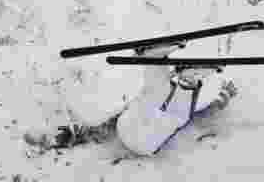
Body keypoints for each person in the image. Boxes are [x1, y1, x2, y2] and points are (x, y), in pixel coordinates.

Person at [24, 44, 238, 156]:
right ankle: (176, 73)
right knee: (168, 110)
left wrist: (66, 136)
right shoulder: (170, 109)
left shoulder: (156, 104)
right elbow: (200, 116)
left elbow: (100, 129)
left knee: (155, 98)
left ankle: (157, 60)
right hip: (142, 141)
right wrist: (222, 97)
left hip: (131, 130)